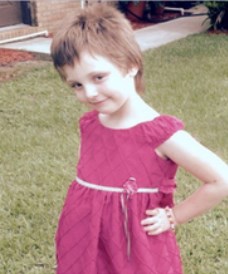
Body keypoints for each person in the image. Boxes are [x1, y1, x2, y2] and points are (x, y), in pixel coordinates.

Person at [51, 4, 228, 274]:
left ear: (131, 65)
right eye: (76, 84)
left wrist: (174, 216)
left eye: (98, 77)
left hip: (134, 248)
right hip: (85, 238)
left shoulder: (159, 135)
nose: (89, 93)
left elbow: (221, 180)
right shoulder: (90, 124)